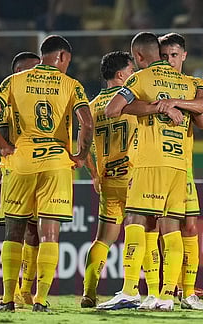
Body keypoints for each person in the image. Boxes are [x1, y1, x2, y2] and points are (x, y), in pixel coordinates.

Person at [96, 31, 203, 311]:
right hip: (179, 166)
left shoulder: (141, 78)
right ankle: (167, 297)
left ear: (138, 56)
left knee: (135, 220)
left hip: (151, 161)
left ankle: (129, 290)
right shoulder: (188, 83)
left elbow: (113, 109)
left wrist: (156, 106)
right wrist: (171, 104)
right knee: (171, 228)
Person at [0, 35, 93, 312]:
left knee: (14, 231)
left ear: (42, 55)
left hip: (22, 161)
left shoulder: (14, 81)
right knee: (49, 234)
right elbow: (87, 124)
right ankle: (41, 300)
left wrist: (4, 146)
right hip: (56, 161)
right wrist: (80, 154)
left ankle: (8, 299)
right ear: (63, 57)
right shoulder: (71, 84)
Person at [158, 32, 203, 310]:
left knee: (191, 226)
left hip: (184, 167)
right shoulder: (156, 84)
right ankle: (168, 286)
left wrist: (180, 101)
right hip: (160, 166)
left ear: (184, 56)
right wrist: (184, 99)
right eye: (164, 56)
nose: (169, 60)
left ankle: (188, 290)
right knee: (164, 228)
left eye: (174, 55)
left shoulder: (190, 85)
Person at [80, 51, 137, 308]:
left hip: (108, 180)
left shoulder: (91, 108)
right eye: (131, 70)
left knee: (103, 239)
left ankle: (89, 292)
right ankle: (136, 290)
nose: (134, 74)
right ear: (121, 75)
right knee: (147, 233)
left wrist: (94, 174)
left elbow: (84, 146)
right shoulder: (132, 100)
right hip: (135, 178)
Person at [0, 51, 41, 307]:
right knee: (16, 228)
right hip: (17, 170)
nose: (32, 75)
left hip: (44, 170)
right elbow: (2, 138)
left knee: (36, 230)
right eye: (25, 71)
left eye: (35, 69)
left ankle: (26, 290)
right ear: (15, 74)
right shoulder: (6, 100)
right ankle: (9, 293)